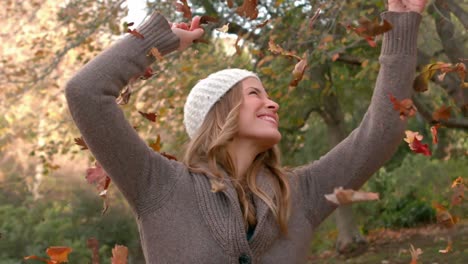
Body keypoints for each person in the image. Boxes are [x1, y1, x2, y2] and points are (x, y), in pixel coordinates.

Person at [65, 0, 427, 262]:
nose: (274, 104)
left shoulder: (301, 192)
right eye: (255, 93)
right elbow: (85, 93)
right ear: (219, 113)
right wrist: (159, 42)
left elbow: (380, 132)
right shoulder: (157, 185)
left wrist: (403, 25)